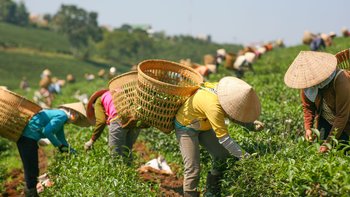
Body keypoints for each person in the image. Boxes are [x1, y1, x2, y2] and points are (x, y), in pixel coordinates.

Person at [174, 77, 264, 196]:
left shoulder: (222, 92)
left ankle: (211, 191)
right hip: (186, 127)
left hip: (204, 125)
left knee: (222, 156)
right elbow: (225, 140)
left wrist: (249, 124)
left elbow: (231, 112)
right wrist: (245, 157)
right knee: (193, 168)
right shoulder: (213, 106)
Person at [16, 102, 90, 196]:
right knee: (31, 168)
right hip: (27, 138)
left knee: (32, 168)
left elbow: (62, 139)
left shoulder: (60, 117)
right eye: (77, 117)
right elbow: (47, 131)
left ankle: (31, 191)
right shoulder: (62, 116)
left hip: (28, 138)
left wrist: (72, 152)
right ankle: (31, 193)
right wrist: (58, 146)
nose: (75, 121)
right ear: (73, 113)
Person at [284, 51, 350, 153]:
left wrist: (328, 142)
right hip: (327, 120)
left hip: (345, 122)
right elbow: (308, 107)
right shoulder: (307, 85)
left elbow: (342, 115)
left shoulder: (340, 79)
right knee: (322, 151)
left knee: (344, 150)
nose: (311, 84)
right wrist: (308, 128)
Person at [84, 89, 140, 164]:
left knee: (115, 156)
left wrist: (92, 140)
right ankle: (129, 172)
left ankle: (121, 174)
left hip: (119, 118)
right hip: (136, 119)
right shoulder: (114, 93)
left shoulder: (98, 100)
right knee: (127, 151)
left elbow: (101, 121)